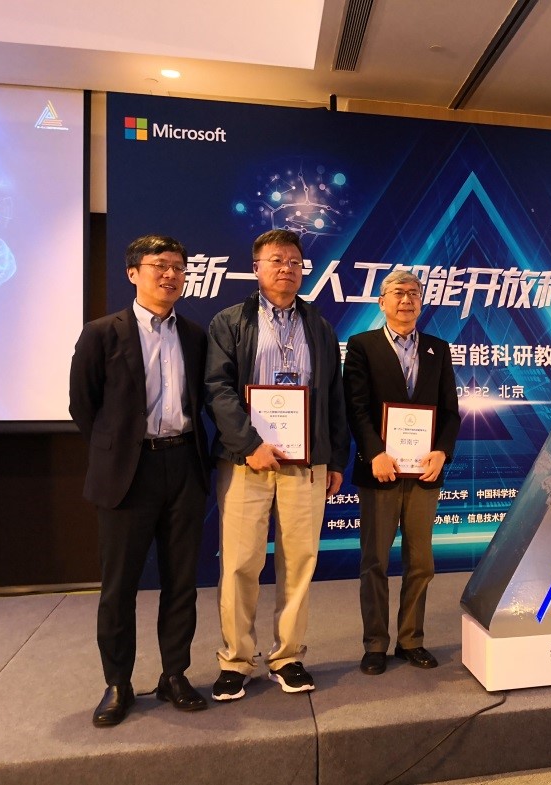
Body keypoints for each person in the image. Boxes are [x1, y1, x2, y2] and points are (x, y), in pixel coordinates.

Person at [69, 235, 210, 727]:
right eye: (159, 265)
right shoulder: (101, 333)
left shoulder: (195, 335)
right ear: (133, 273)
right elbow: (83, 406)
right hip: (128, 474)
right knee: (119, 586)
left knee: (181, 581)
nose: (170, 275)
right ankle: (118, 683)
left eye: (178, 267)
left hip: (184, 466)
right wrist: (120, 448)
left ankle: (174, 675)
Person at [206, 228, 350, 698]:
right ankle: (236, 660)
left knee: (299, 562)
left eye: (293, 261)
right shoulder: (230, 321)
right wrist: (250, 444)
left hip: (306, 463)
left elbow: (333, 397)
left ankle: (288, 657)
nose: (286, 268)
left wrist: (333, 458)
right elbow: (217, 389)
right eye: (275, 260)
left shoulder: (319, 326)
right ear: (256, 268)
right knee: (240, 563)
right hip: (246, 460)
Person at [342, 270, 460, 675]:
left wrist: (442, 451)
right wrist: (374, 452)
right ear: (382, 302)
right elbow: (356, 406)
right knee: (375, 560)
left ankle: (411, 639)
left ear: (421, 302)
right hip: (381, 470)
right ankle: (375, 644)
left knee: (421, 561)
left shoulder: (438, 349)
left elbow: (450, 411)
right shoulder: (362, 346)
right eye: (398, 293)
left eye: (413, 293)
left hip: (424, 472)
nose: (406, 300)